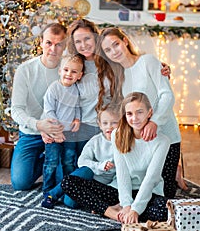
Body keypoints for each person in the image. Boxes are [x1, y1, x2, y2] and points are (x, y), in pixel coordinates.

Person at [95, 26, 181, 198]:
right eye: (108, 50)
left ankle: (175, 173)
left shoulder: (148, 61)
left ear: (125, 41)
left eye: (116, 44)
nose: (114, 51)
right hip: (141, 145)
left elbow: (167, 95)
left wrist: (154, 121)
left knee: (165, 196)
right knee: (140, 191)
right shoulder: (117, 77)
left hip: (166, 138)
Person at [66, 19, 170, 157]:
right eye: (78, 41)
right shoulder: (72, 65)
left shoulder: (111, 61)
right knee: (77, 167)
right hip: (80, 127)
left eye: (87, 38)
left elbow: (135, 68)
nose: (83, 45)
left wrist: (161, 69)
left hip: (111, 126)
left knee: (109, 171)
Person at [10, 23, 67, 190]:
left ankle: (53, 161)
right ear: (41, 42)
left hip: (58, 134)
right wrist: (38, 125)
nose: (53, 49)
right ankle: (44, 161)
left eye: (59, 44)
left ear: (65, 46)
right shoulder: (25, 70)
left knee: (62, 182)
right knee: (20, 183)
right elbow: (16, 109)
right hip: (31, 133)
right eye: (49, 43)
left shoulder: (68, 69)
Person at [110, 92, 170, 223]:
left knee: (167, 210)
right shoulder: (117, 135)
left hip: (149, 193)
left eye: (140, 112)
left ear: (150, 113)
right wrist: (126, 205)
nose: (134, 118)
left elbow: (151, 178)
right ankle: (114, 212)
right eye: (129, 114)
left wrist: (135, 209)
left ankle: (122, 213)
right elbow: (122, 173)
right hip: (124, 192)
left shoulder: (162, 141)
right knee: (70, 183)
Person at [61, 103, 121, 217]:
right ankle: (54, 194)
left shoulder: (123, 143)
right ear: (100, 125)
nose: (109, 127)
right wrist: (99, 166)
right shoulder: (95, 141)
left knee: (116, 196)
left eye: (114, 123)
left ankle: (98, 206)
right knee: (70, 202)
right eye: (105, 123)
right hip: (92, 182)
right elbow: (82, 161)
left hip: (111, 188)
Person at [41, 54, 84, 202]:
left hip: (70, 133)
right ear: (60, 71)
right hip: (54, 131)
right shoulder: (54, 88)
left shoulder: (76, 89)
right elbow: (49, 111)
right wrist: (56, 131)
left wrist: (77, 119)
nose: (69, 74)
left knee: (69, 161)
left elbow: (77, 106)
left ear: (79, 75)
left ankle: (67, 189)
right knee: (51, 161)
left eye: (74, 72)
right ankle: (47, 190)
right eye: (66, 70)